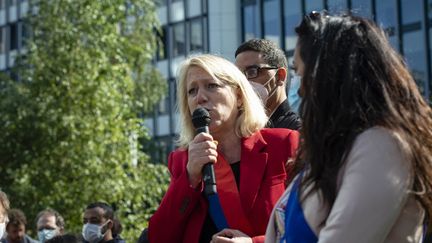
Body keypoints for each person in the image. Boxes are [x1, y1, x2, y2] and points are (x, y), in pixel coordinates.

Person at [262, 12, 432, 242]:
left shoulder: (383, 146)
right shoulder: (333, 149)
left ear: (332, 77)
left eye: (302, 74)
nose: (299, 90)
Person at [148, 54, 299, 243]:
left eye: (212, 85)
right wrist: (190, 177)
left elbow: (308, 224)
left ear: (238, 96)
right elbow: (159, 236)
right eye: (192, 91)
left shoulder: (284, 144)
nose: (200, 98)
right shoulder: (182, 161)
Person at [235, 39, 301, 129]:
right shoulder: (242, 129)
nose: (243, 82)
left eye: (252, 72)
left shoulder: (297, 129)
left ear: (279, 76)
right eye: (238, 75)